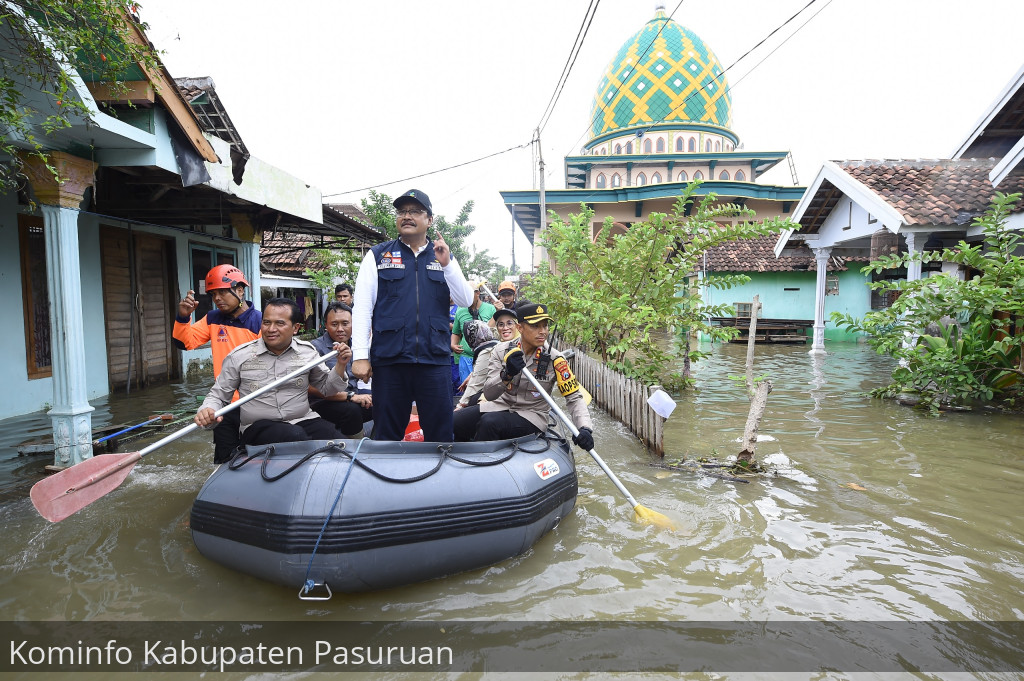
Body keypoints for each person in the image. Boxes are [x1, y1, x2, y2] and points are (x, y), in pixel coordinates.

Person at [351, 189, 474, 442]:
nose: (407, 216)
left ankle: (439, 481)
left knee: (440, 435)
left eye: (415, 211)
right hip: (390, 361)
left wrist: (447, 264)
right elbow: (362, 308)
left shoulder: (444, 256)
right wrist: (360, 356)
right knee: (386, 434)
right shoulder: (378, 256)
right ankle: (386, 480)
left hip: (434, 360)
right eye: (402, 211)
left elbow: (466, 300)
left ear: (429, 220)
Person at [195, 298, 351, 446]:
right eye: (266, 323)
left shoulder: (307, 353)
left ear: (295, 328)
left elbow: (328, 389)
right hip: (258, 426)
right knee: (294, 436)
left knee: (339, 443)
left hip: (302, 419)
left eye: (280, 323)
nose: (271, 329)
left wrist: (340, 365)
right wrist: (208, 410)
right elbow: (218, 395)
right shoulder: (239, 356)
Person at [453, 303, 594, 450]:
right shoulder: (501, 351)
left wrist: (584, 428)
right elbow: (489, 393)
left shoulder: (556, 359)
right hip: (501, 405)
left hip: (532, 415)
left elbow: (574, 397)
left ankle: (481, 463)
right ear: (520, 328)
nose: (543, 332)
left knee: (490, 423)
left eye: (545, 326)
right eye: (535, 326)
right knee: (454, 421)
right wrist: (507, 374)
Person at [173, 264, 262, 463]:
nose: (217, 299)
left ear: (240, 290)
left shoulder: (260, 322)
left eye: (222, 292)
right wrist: (183, 317)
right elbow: (184, 343)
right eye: (213, 294)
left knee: (258, 454)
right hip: (224, 401)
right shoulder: (212, 319)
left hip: (256, 401)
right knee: (225, 459)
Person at [309, 302, 372, 437]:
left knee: (386, 403)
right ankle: (354, 451)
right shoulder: (314, 348)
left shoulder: (358, 347)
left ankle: (380, 447)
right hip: (324, 402)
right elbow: (309, 387)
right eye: (334, 324)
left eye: (345, 323)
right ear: (325, 325)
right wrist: (350, 397)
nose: (340, 329)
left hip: (354, 396)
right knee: (351, 411)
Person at [451, 286, 496, 384]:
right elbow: (456, 332)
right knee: (467, 388)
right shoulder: (460, 311)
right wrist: (453, 344)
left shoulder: (491, 309)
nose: (466, 298)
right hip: (466, 357)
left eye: (469, 294)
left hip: (486, 357)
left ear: (477, 293)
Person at [455, 320, 497, 410]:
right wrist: (472, 374)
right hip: (496, 393)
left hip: (497, 397)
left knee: (456, 419)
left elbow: (475, 384)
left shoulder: (487, 350)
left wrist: (460, 405)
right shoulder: (494, 343)